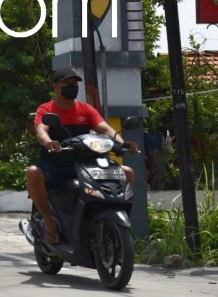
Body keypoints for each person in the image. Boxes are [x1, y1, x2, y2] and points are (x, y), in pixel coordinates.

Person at [26, 68, 139, 245]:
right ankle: (49, 221)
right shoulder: (46, 109)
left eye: (74, 83)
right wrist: (48, 142)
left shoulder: (86, 109)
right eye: (67, 84)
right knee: (33, 172)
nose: (72, 87)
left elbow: (105, 128)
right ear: (55, 87)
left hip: (86, 163)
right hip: (56, 163)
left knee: (127, 172)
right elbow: (41, 131)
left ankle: (112, 218)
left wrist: (122, 143)